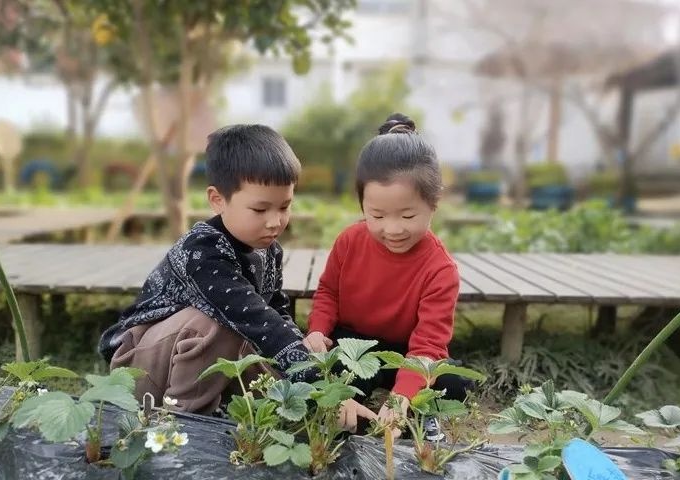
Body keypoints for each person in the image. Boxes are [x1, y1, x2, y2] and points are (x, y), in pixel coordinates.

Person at [98, 124, 376, 430]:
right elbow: (256, 319)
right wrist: (323, 384)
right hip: (143, 369)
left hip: (199, 359)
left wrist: (321, 386)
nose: (275, 221)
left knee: (279, 361)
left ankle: (301, 416)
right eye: (259, 209)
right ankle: (182, 424)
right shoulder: (202, 251)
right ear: (217, 200)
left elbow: (277, 314)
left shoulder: (268, 250)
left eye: (285, 206)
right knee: (220, 323)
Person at [305, 113, 471, 436]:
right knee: (336, 374)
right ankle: (355, 413)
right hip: (355, 343)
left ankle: (412, 417)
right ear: (362, 204)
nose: (392, 229)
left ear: (433, 204)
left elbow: (428, 344)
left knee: (449, 384)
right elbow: (328, 293)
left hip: (407, 350)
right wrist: (317, 330)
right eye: (377, 215)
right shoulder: (349, 241)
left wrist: (401, 399)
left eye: (408, 215)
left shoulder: (440, 269)